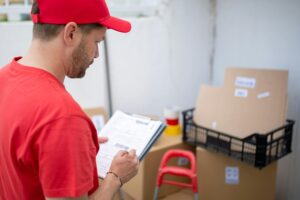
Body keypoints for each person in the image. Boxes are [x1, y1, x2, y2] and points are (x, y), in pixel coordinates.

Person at [0, 0, 139, 199]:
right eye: (97, 42)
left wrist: (74, 146)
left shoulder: (3, 79)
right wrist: (114, 178)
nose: (97, 54)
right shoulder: (63, 118)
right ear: (71, 33)